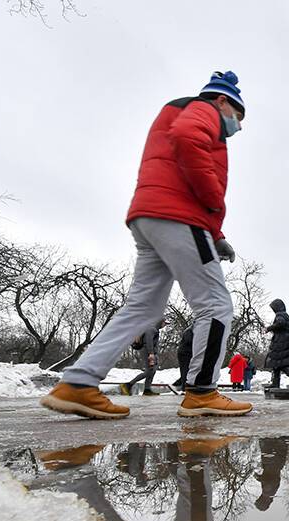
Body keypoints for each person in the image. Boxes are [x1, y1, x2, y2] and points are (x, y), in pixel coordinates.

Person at [39, 70, 252, 419]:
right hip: (181, 218)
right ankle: (201, 392)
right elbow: (187, 139)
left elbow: (174, 161)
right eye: (237, 116)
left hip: (149, 217)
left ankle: (78, 383)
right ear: (223, 100)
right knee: (215, 305)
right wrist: (214, 203)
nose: (237, 126)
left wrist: (216, 235)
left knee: (142, 308)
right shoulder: (204, 110)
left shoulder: (176, 110)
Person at [121, 320, 164, 396]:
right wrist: (151, 353)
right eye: (164, 323)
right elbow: (148, 341)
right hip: (148, 351)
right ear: (160, 322)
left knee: (152, 371)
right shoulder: (152, 329)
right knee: (149, 371)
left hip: (151, 352)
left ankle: (147, 390)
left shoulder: (154, 329)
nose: (165, 325)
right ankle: (128, 385)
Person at [265, 299, 289, 388]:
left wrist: (268, 328)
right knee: (276, 365)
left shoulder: (280, 315)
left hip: (281, 341)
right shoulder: (285, 315)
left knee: (279, 363)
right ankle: (275, 384)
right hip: (282, 340)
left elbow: (280, 323)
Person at [172, 324, 195, 393]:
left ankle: (177, 384)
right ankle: (183, 388)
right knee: (185, 370)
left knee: (187, 370)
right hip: (184, 354)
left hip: (187, 353)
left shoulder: (191, 330)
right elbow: (189, 340)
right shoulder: (189, 330)